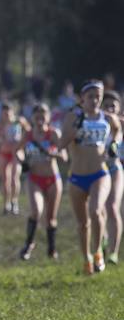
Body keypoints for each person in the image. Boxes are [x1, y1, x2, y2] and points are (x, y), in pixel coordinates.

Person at [57, 80, 121, 275]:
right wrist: (76, 129)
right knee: (83, 224)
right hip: (76, 177)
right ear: (82, 98)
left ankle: (99, 251)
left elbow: (118, 131)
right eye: (91, 96)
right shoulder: (72, 117)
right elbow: (61, 143)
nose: (95, 100)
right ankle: (86, 258)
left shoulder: (107, 118)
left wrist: (114, 145)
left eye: (98, 97)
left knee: (96, 210)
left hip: (100, 173)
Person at [16, 103, 66, 260]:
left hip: (52, 179)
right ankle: (28, 245)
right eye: (37, 114)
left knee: (51, 218)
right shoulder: (28, 135)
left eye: (43, 114)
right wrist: (23, 161)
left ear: (49, 117)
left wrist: (53, 154)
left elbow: (64, 156)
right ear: (32, 117)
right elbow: (17, 150)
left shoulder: (53, 134)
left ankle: (51, 249)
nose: (40, 117)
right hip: (34, 179)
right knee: (36, 211)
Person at [100, 90, 123, 264]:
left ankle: (114, 252)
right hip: (98, 171)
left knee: (113, 207)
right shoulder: (97, 124)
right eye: (106, 105)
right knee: (98, 209)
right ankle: (103, 238)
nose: (109, 109)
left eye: (113, 106)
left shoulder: (121, 124)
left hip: (115, 169)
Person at [0, 102, 29, 214]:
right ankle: (6, 204)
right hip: (4, 153)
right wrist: (0, 137)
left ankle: (15, 202)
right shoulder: (0, 124)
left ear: (12, 112)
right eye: (4, 114)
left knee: (15, 178)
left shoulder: (19, 121)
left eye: (7, 114)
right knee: (5, 180)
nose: (6, 116)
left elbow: (30, 132)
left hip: (16, 153)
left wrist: (22, 145)